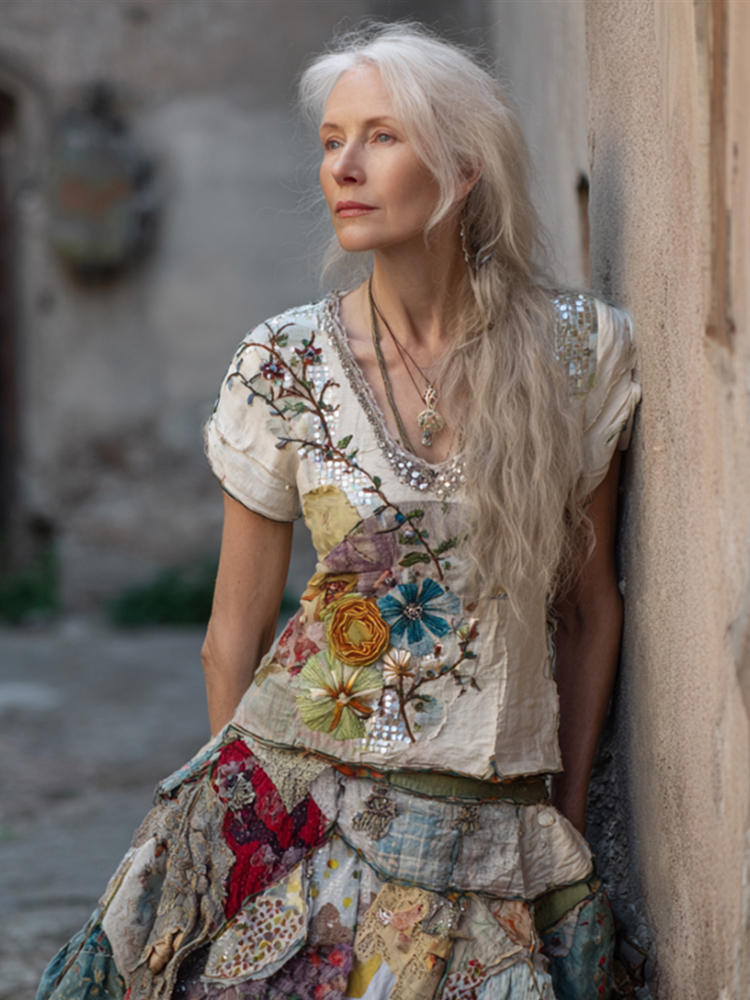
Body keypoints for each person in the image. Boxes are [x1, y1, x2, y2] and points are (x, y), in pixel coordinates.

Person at [37, 22, 640, 1000]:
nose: (343, 168)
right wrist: (244, 844)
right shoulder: (284, 365)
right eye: (330, 141)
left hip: (493, 825)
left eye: (380, 137)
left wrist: (565, 819)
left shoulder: (579, 353)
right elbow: (231, 636)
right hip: (299, 793)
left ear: (464, 168)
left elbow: (585, 606)